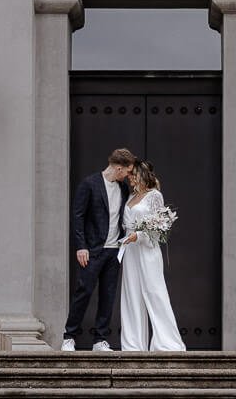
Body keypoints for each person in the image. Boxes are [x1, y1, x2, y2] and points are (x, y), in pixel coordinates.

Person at [62, 148, 137, 351]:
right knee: (83, 291)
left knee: (108, 295)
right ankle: (69, 336)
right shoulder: (89, 184)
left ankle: (100, 340)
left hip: (114, 252)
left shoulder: (122, 189)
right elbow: (78, 217)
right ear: (119, 168)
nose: (129, 176)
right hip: (92, 250)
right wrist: (81, 246)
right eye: (128, 172)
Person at [117, 161, 187, 352]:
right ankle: (132, 345)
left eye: (132, 174)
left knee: (155, 293)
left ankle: (167, 343)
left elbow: (158, 227)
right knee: (131, 295)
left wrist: (139, 235)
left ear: (141, 174)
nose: (129, 177)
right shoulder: (131, 196)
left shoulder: (154, 196)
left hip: (147, 250)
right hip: (130, 251)